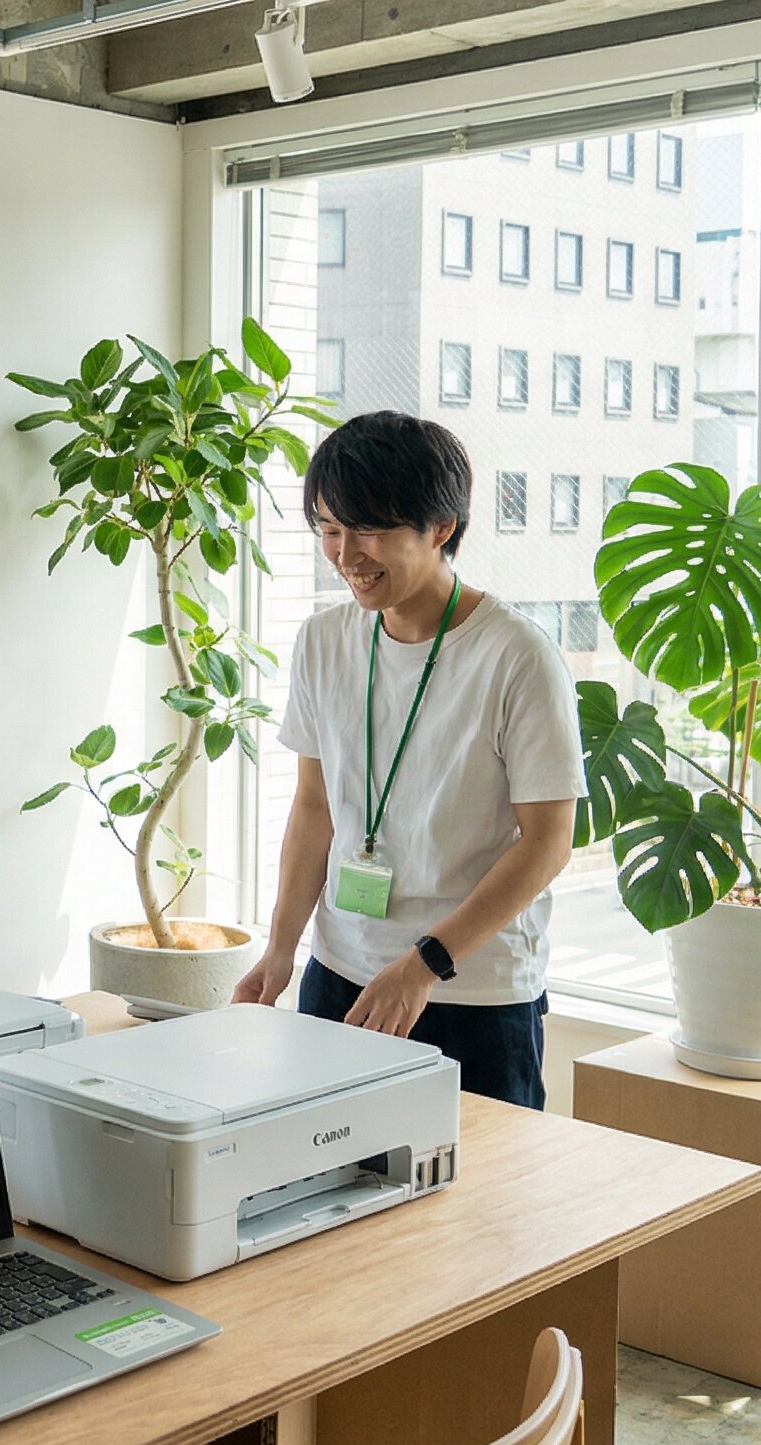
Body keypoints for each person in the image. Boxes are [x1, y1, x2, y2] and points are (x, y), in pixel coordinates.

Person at [231, 412, 582, 1110]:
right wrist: (281, 949)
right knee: (326, 1193)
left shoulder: (517, 657)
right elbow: (315, 807)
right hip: (339, 973)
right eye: (329, 529)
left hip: (473, 990)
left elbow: (548, 843)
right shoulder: (324, 641)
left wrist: (426, 963)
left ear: (442, 527)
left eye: (371, 530)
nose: (346, 553)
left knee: (484, 1211)